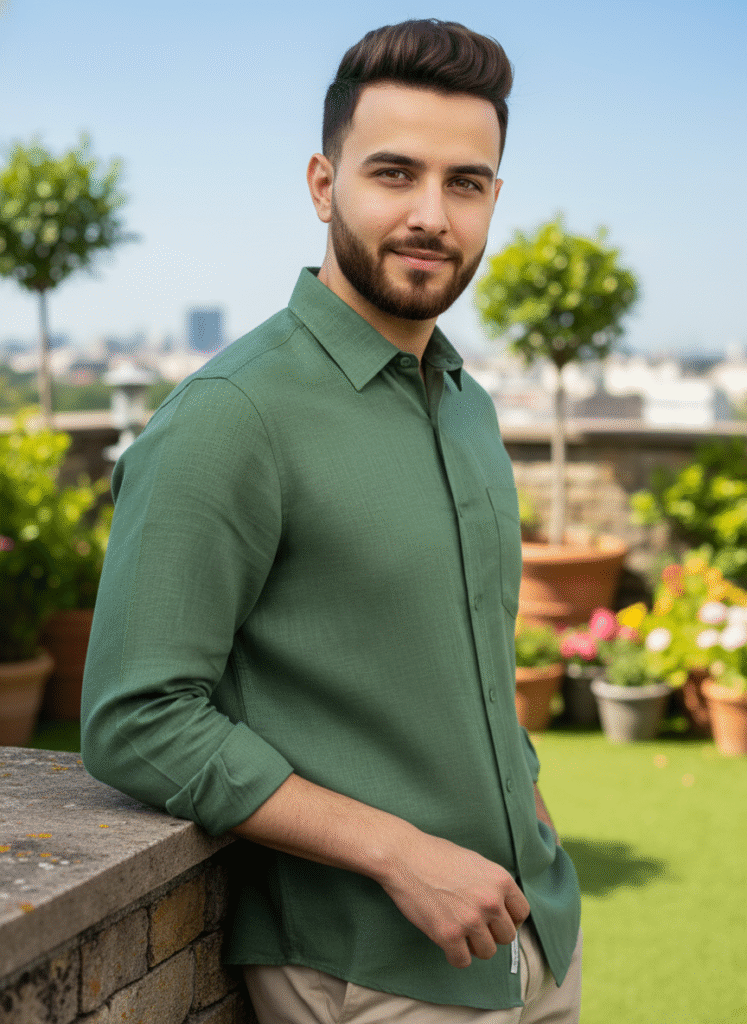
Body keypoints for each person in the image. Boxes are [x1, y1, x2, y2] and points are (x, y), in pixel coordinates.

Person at [81, 18, 581, 1024]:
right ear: (323, 183)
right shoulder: (232, 415)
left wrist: (526, 803)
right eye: (393, 173)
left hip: (535, 938)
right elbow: (137, 718)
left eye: (466, 182)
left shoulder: (470, 405)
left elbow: (470, 653)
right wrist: (399, 852)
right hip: (370, 972)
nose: (431, 214)